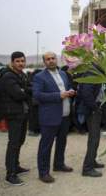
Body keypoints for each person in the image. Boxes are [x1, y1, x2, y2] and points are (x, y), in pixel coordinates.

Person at [33, 52, 76, 183]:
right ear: (44, 62)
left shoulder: (63, 74)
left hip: (65, 115)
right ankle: (43, 172)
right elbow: (37, 95)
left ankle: (59, 164)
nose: (51, 61)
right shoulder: (40, 77)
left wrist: (71, 91)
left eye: (53, 58)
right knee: (46, 145)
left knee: (62, 142)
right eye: (48, 59)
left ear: (56, 60)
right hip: (49, 116)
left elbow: (67, 88)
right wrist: (58, 95)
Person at [0, 51, 31, 185]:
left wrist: (25, 90)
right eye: (17, 61)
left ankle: (16, 166)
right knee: (13, 143)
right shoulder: (8, 76)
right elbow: (18, 94)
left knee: (20, 141)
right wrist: (26, 90)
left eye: (22, 61)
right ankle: (10, 174)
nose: (20, 63)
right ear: (12, 62)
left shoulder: (21, 74)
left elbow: (25, 89)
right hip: (13, 114)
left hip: (22, 113)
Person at [77, 80, 105, 177]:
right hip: (92, 110)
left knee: (95, 138)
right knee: (94, 139)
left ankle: (92, 161)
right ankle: (87, 168)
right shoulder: (91, 74)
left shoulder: (96, 73)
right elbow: (86, 93)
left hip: (95, 109)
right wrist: (94, 108)